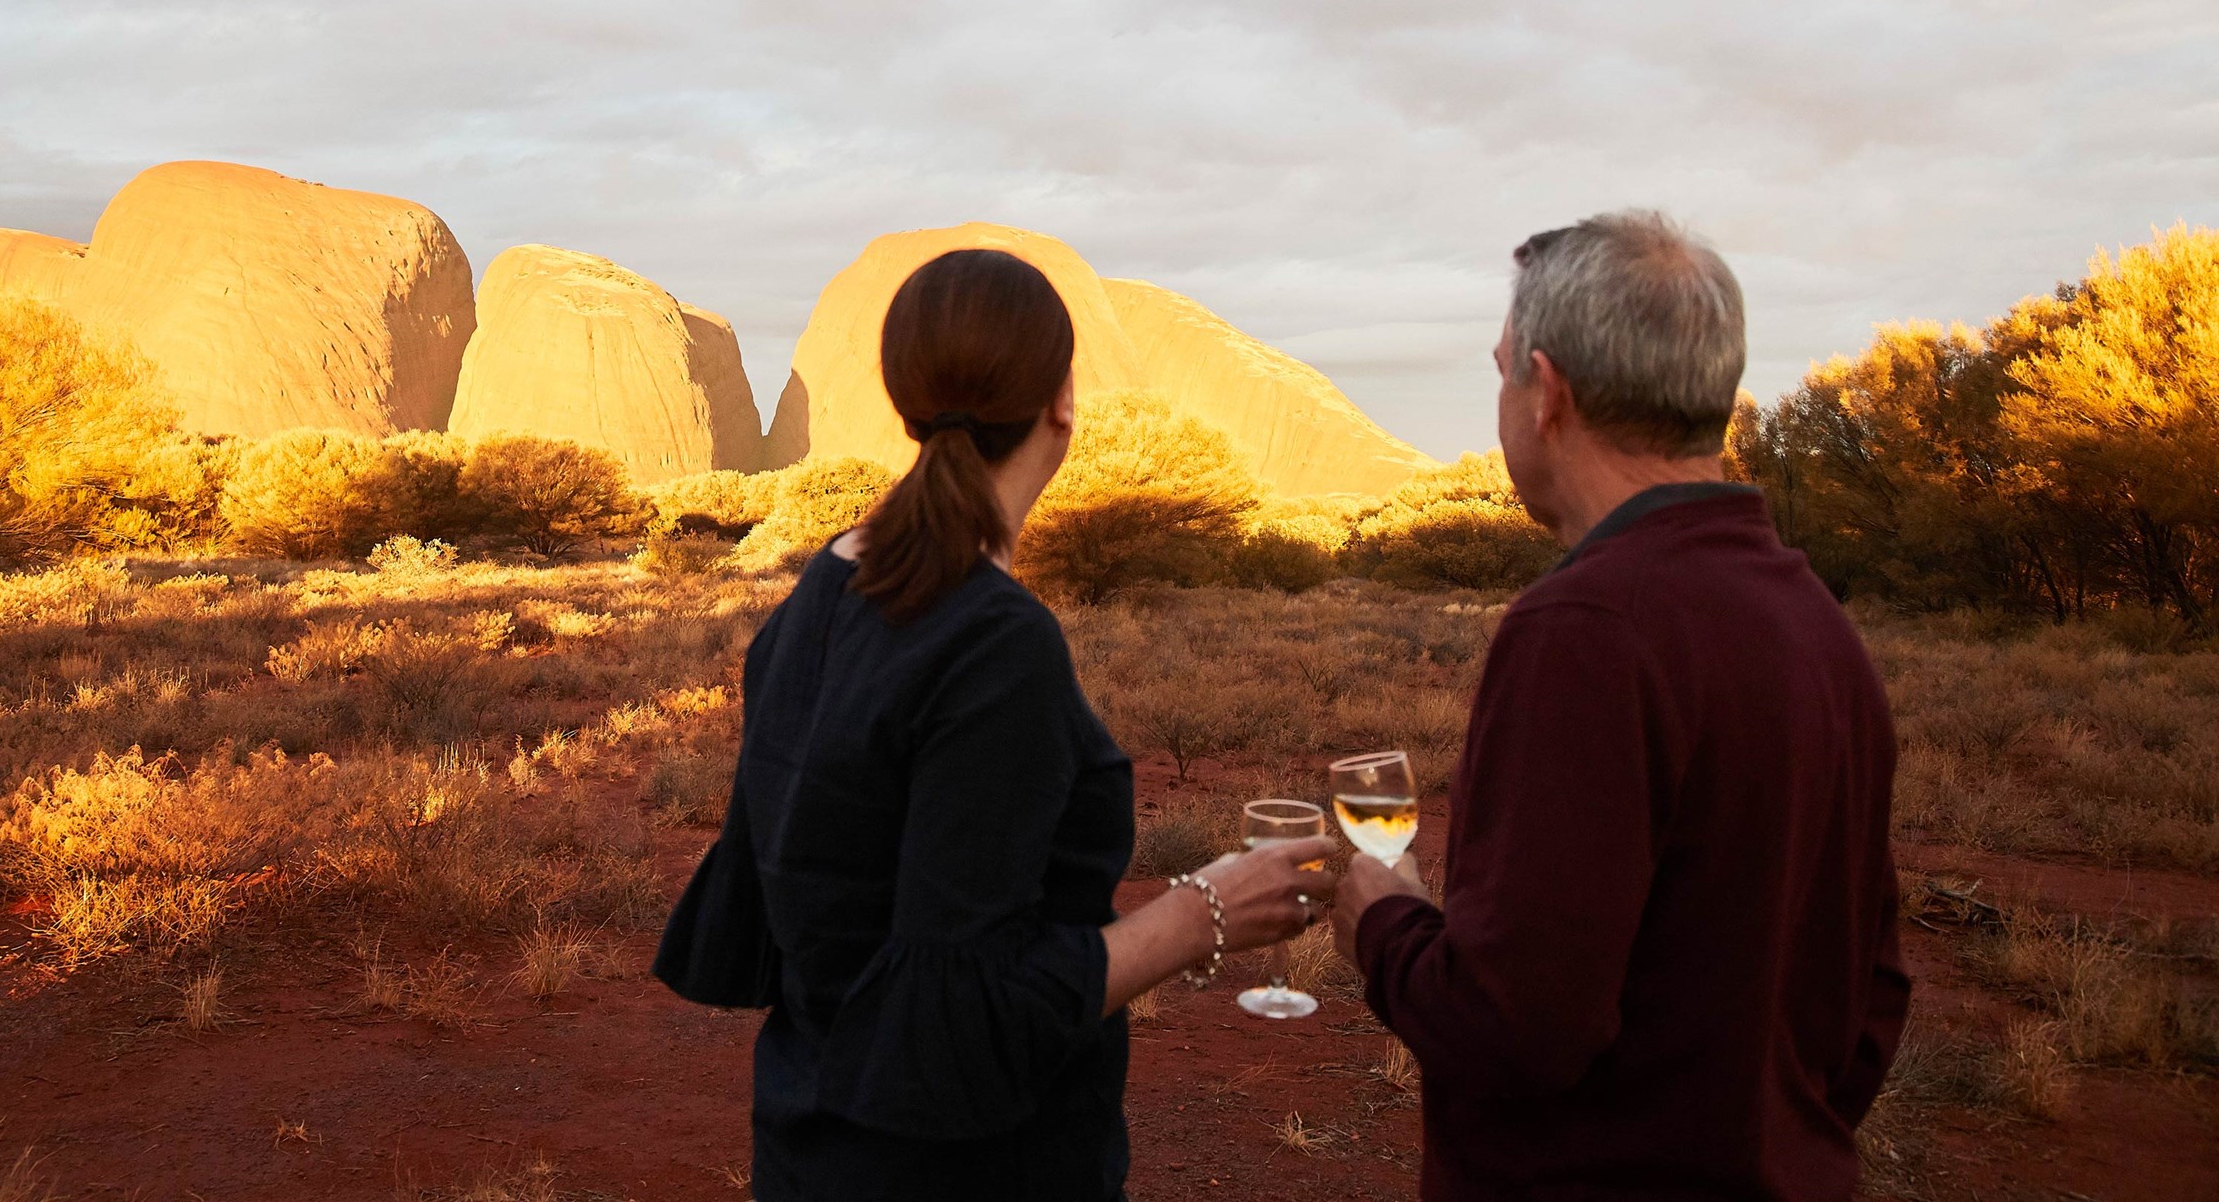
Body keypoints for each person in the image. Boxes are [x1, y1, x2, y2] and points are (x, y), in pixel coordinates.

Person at [655, 248, 1332, 1202]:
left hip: (810, 1143)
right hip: (963, 1167)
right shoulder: (992, 642)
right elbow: (960, 1004)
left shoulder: (823, 590)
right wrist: (1206, 911)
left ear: (906, 405)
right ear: (1063, 399)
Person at [1332, 211, 1910, 1201]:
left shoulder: (1589, 626)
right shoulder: (1813, 617)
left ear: (1546, 392)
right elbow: (1873, 996)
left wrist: (1381, 921)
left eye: (1502, 367)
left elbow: (1511, 1028)